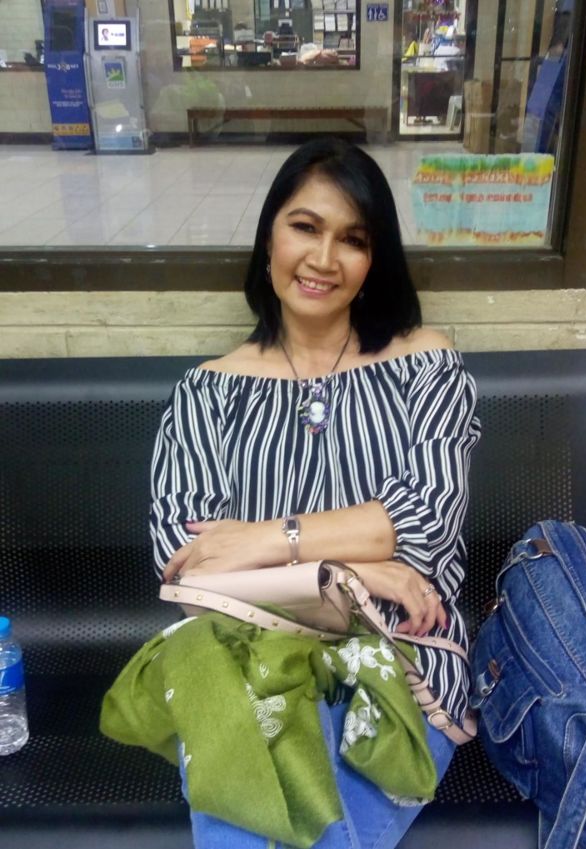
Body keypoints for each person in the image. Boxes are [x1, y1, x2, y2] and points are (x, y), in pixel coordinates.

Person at [149, 137, 481, 848]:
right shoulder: (206, 393)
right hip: (245, 656)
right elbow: (189, 570)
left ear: (373, 260)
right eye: (305, 227)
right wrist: (355, 571)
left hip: (395, 656)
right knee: (254, 726)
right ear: (269, 236)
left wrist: (264, 539)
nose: (325, 258)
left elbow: (424, 524)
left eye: (353, 240)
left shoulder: (426, 365)